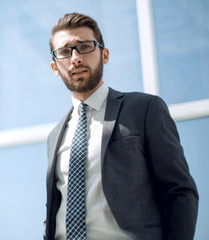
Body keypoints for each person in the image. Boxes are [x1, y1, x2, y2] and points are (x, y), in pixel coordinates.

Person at [44, 13, 198, 240]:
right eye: (65, 52)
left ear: (104, 55)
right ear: (55, 67)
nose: (75, 58)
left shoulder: (144, 109)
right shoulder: (55, 135)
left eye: (84, 46)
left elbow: (180, 191)